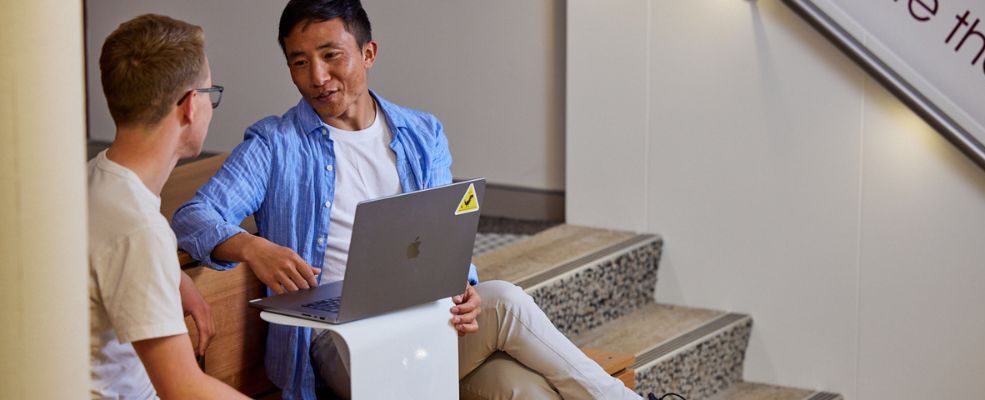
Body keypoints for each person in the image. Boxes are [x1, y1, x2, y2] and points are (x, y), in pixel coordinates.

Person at [171, 1, 642, 399]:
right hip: (338, 342)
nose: (317, 76)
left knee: (521, 389)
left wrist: (465, 287)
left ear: (368, 52)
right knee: (507, 303)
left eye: (331, 55)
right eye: (299, 62)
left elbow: (446, 240)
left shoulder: (421, 133)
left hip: (423, 321)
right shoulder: (275, 145)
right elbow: (193, 216)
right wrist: (252, 247)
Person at [88, 14, 249, 399]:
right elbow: (183, 389)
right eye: (211, 93)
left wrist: (173, 278)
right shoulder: (140, 231)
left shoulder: (95, 175)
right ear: (191, 106)